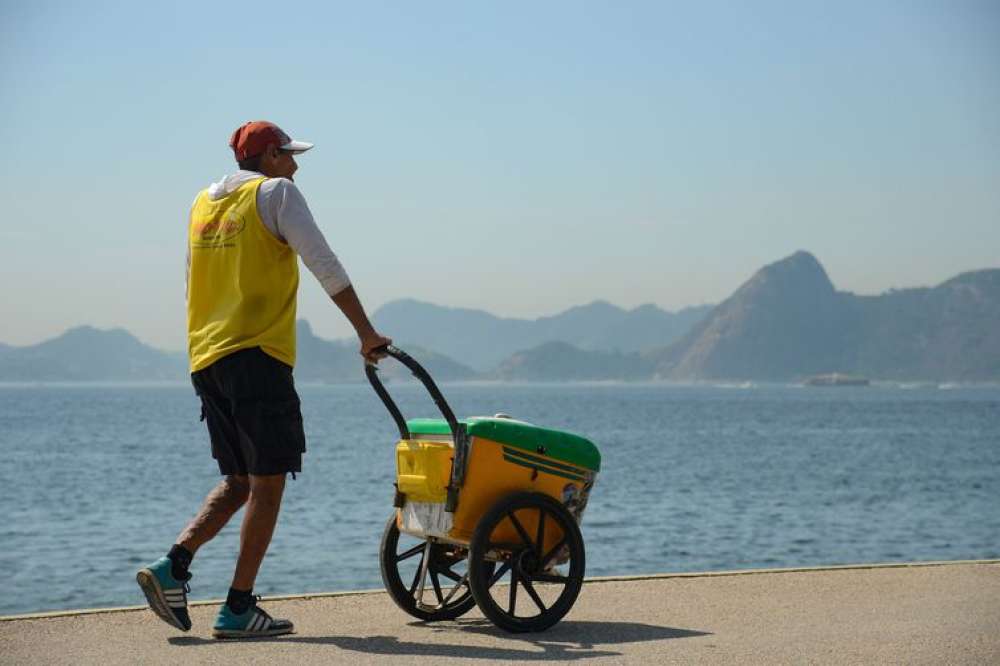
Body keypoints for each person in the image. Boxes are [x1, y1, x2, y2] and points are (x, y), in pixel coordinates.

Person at [137, 120, 390, 639]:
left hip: (207, 357)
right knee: (269, 483)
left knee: (239, 480)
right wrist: (366, 333)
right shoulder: (278, 194)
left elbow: (191, 282)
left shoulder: (202, 204)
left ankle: (173, 565)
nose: (296, 167)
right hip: (257, 356)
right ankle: (237, 607)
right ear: (271, 156)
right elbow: (325, 265)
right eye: (290, 156)